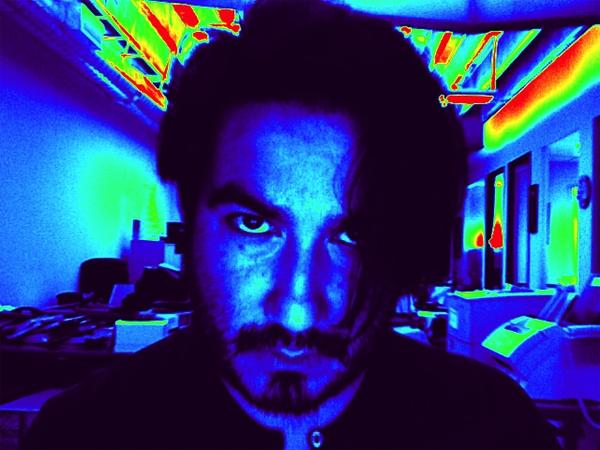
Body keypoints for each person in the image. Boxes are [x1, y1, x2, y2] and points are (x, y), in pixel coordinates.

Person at [22, 0, 560, 449]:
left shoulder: (497, 431)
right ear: (191, 219)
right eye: (253, 224)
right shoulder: (83, 434)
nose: (298, 308)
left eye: (354, 236)